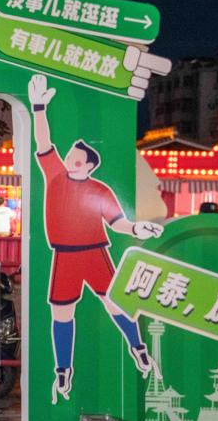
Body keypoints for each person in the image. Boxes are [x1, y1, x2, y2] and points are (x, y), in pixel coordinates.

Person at [28, 74, 164, 403]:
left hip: (94, 253)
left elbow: (118, 223)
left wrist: (137, 229)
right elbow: (43, 143)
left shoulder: (100, 190)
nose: (69, 159)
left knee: (115, 303)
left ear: (88, 165)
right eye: (69, 156)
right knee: (61, 313)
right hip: (64, 255)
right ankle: (63, 371)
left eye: (76, 157)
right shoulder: (55, 176)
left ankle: (139, 349)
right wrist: (38, 109)